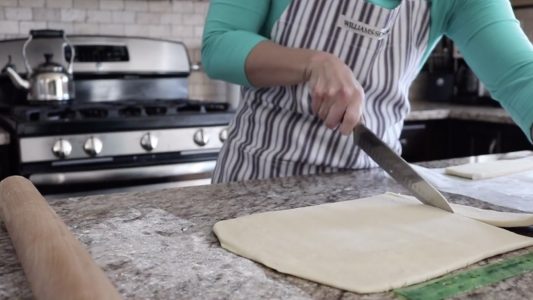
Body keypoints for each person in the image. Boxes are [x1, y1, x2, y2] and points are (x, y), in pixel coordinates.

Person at [202, 0, 533, 183]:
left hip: (366, 192)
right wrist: (312, 63)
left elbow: (521, 75)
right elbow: (219, 44)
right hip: (256, 182)